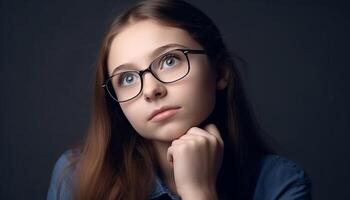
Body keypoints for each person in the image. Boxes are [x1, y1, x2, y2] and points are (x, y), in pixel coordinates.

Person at [47, 0, 311, 199]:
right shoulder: (77, 176)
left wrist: (198, 191)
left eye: (169, 60)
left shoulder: (279, 184)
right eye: (127, 78)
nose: (151, 90)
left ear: (220, 72)